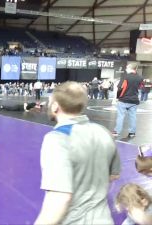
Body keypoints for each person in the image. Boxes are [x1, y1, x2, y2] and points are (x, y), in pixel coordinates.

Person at [35, 81, 121, 225]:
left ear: (55, 106)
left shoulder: (57, 139)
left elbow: (60, 198)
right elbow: (114, 175)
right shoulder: (103, 132)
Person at [112, 62, 143, 138]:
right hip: (134, 100)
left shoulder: (125, 77)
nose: (126, 69)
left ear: (130, 68)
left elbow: (121, 88)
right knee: (133, 117)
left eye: (126, 68)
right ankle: (132, 133)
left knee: (120, 116)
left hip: (124, 100)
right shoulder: (140, 77)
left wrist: (117, 98)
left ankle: (117, 131)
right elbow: (140, 87)